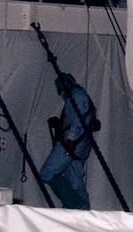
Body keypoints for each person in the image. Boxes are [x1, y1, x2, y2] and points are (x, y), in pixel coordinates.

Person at [40, 73, 98, 209]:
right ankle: (83, 210)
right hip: (79, 145)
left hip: (71, 145)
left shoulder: (77, 96)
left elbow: (78, 121)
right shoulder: (77, 96)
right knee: (75, 180)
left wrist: (71, 139)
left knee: (47, 173)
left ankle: (76, 204)